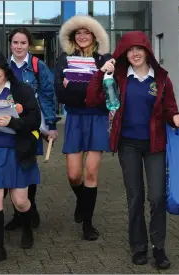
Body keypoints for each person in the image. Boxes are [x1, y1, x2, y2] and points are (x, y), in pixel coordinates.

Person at [85, 30, 179, 269]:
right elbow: (92, 99)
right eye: (130, 50)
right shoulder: (119, 77)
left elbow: (169, 107)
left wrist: (176, 117)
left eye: (139, 49)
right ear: (124, 53)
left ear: (147, 51)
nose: (135, 53)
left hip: (155, 145)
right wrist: (101, 73)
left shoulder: (160, 78)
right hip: (128, 144)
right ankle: (138, 246)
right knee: (135, 198)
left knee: (157, 197)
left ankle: (159, 248)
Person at [0, 52, 42, 265]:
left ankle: (28, 226)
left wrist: (11, 123)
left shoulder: (22, 90)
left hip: (17, 151)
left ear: (5, 70)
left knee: (20, 202)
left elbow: (34, 120)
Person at [54, 14, 111, 241]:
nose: (83, 36)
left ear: (94, 35)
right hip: (75, 118)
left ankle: (87, 223)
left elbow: (104, 95)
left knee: (90, 173)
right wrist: (87, 90)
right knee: (74, 174)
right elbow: (60, 93)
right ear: (73, 36)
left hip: (97, 118)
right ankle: (82, 199)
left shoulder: (105, 59)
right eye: (79, 33)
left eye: (87, 32)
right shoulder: (65, 59)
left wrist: (76, 89)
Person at [4, 27, 60, 230]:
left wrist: (51, 125)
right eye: (15, 42)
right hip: (8, 126)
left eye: (23, 43)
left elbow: (47, 95)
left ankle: (29, 210)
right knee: (12, 167)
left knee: (27, 166)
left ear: (29, 45)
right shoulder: (4, 67)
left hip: (30, 126)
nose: (19, 46)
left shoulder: (38, 66)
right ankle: (20, 214)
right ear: (10, 44)